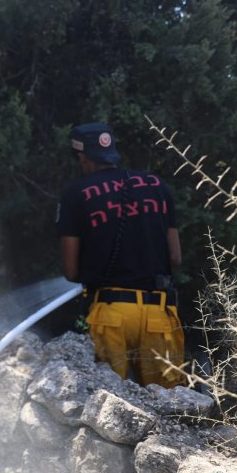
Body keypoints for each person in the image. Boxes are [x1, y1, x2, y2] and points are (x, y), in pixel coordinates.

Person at [55, 122, 184, 388]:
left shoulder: (75, 194)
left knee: (109, 404)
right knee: (172, 410)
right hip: (157, 314)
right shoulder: (158, 187)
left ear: (82, 156)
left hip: (110, 314)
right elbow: (175, 258)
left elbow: (70, 271)